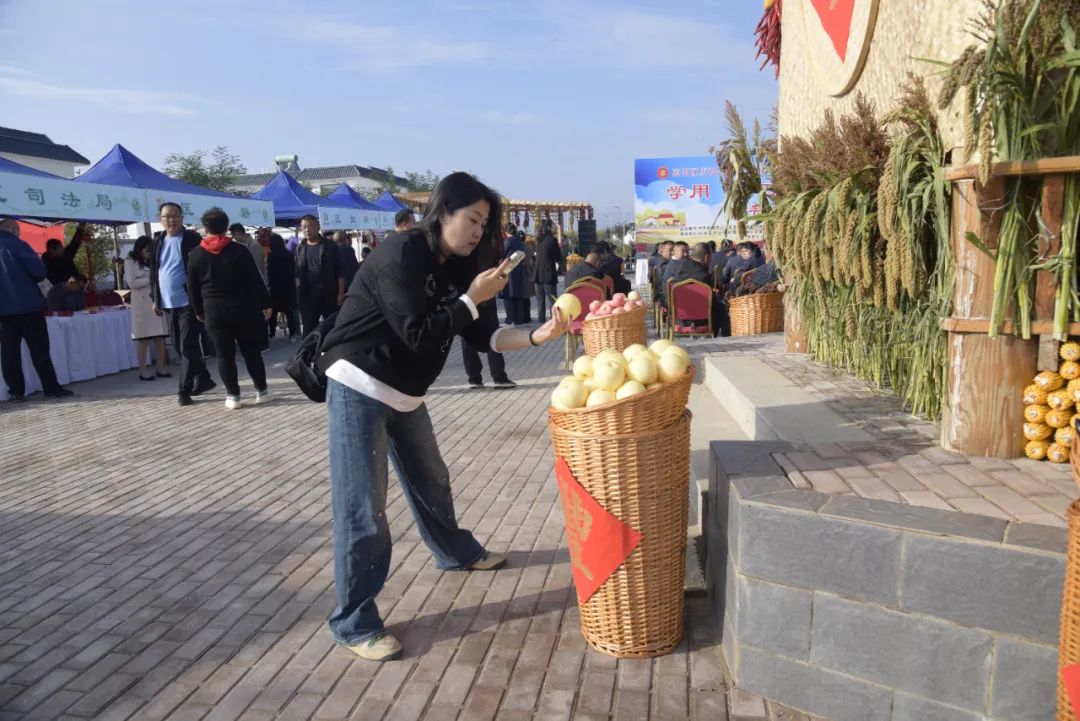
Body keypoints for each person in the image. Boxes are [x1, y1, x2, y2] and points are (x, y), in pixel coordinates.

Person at [318, 172, 570, 661]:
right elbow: (418, 333)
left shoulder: (462, 266)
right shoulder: (400, 255)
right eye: (472, 219)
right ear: (442, 212)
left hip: (406, 391)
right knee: (364, 508)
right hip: (359, 384)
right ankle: (353, 622)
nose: (478, 232)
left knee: (432, 479)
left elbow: (483, 335)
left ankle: (455, 552)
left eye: (484, 224)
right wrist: (470, 299)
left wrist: (537, 336)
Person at [186, 208, 272, 410]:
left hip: (213, 311)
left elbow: (192, 288)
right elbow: (255, 279)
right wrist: (265, 303)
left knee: (224, 355)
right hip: (243, 309)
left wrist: (198, 310)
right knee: (251, 352)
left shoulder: (195, 254)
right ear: (226, 228)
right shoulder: (239, 250)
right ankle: (262, 391)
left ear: (205, 228)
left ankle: (233, 396)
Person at [0, 217, 73, 401]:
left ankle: (16, 391)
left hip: (4, 312)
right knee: (39, 350)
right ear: (14, 230)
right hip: (28, 306)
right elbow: (39, 272)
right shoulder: (18, 245)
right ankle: (51, 388)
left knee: (9, 353)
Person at [150, 202, 216, 406]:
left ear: (182, 217)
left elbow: (203, 269)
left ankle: (183, 391)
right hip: (167, 302)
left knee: (186, 346)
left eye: (175, 216)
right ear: (160, 219)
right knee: (180, 348)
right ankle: (203, 378)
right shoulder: (158, 240)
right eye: (166, 216)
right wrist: (155, 298)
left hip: (188, 301)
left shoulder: (192, 239)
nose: (171, 220)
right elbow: (154, 271)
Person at [124, 236, 171, 381]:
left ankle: (161, 368)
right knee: (143, 338)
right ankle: (143, 370)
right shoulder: (130, 261)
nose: (149, 253)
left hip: (156, 301)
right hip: (142, 304)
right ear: (139, 249)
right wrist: (151, 278)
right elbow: (131, 283)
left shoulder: (154, 261)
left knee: (159, 336)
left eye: (151, 250)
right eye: (146, 250)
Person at [295, 215, 344, 337]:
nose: (307, 229)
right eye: (304, 227)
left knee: (332, 329)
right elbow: (297, 273)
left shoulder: (330, 246)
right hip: (308, 296)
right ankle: (310, 349)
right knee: (308, 331)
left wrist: (340, 294)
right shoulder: (300, 248)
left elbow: (340, 271)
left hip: (329, 295)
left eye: (310, 226)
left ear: (318, 227)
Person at [266, 234, 299, 341]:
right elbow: (293, 270)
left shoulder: (271, 256)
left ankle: (272, 333)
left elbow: (270, 273)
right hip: (288, 286)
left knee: (273, 312)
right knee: (289, 312)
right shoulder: (289, 255)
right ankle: (292, 334)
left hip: (276, 287)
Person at [533, 218, 562, 324]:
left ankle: (541, 321)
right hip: (548, 273)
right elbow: (558, 257)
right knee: (552, 300)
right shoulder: (552, 240)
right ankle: (554, 321)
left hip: (537, 273)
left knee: (540, 300)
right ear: (549, 227)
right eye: (553, 225)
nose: (555, 227)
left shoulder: (538, 240)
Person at [498, 226, 527, 325]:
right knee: (517, 296)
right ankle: (518, 319)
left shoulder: (508, 241)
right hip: (518, 270)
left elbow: (501, 253)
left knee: (507, 295)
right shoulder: (520, 241)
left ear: (507, 232)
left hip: (508, 270)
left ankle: (509, 318)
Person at [660, 241, 690, 306]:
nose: (686, 254)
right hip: (675, 303)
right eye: (683, 251)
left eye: (687, 252)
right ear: (674, 252)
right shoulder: (678, 266)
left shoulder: (672, 263)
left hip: (675, 301)